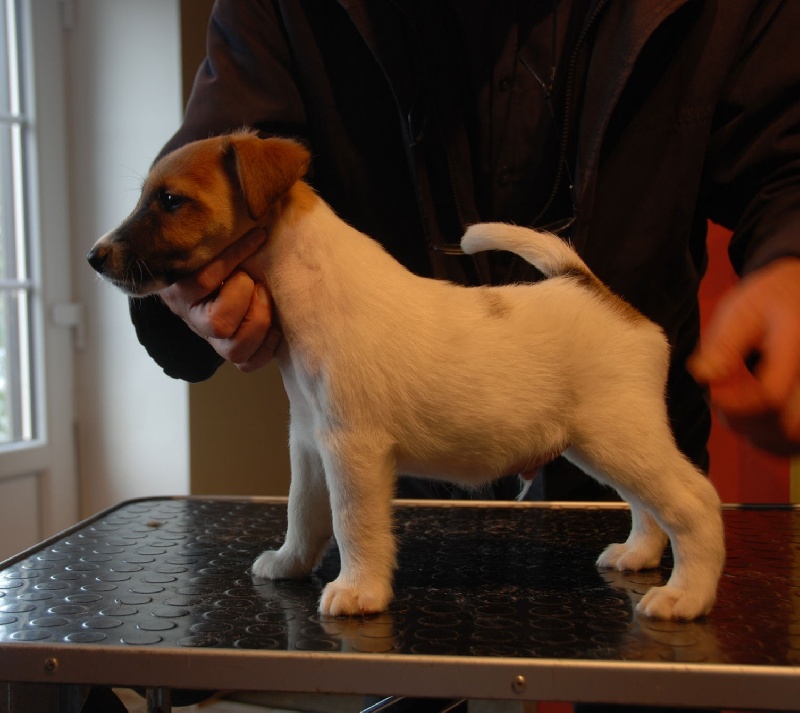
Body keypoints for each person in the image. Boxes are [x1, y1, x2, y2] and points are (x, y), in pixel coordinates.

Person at [128, 1, 799, 708]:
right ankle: (645, 535)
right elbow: (213, 149)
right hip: (447, 474)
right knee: (322, 437)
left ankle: (691, 538)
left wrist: (792, 259)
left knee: (626, 453)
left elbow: (787, 153)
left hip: (571, 339)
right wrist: (186, 284)